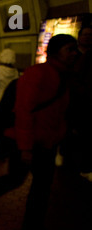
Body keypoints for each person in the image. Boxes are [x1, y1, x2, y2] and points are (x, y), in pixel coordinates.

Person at [0, 34, 78, 230]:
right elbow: (23, 111)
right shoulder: (37, 74)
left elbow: (60, 112)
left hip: (48, 142)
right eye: (69, 49)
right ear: (56, 51)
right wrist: (25, 147)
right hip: (26, 141)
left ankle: (33, 224)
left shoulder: (65, 77)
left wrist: (60, 135)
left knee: (43, 184)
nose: (74, 54)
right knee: (16, 179)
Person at [69, 25, 92, 182]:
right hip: (74, 98)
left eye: (91, 35)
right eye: (85, 34)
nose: (88, 37)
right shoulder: (72, 54)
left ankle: (82, 166)